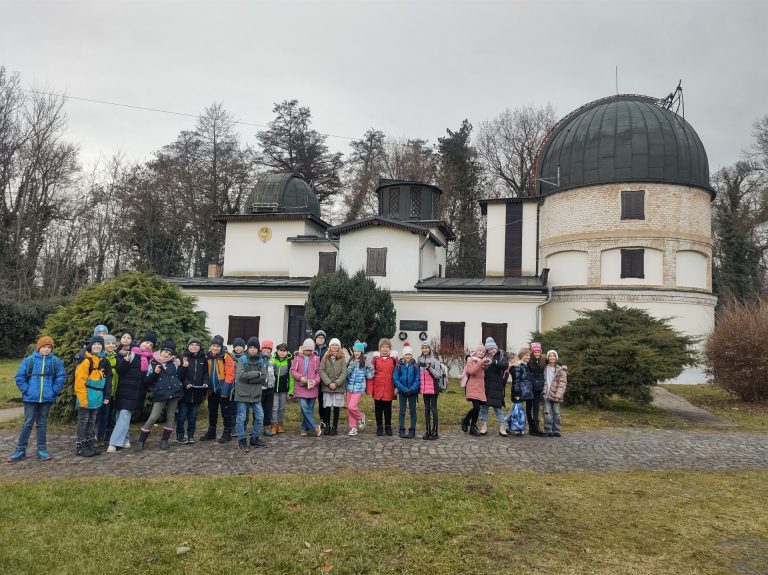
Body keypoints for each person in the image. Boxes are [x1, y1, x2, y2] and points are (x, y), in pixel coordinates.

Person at [7, 336, 66, 462]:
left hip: (46, 398)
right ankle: (20, 450)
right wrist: (27, 391)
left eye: (49, 347)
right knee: (27, 423)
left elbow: (61, 377)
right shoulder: (29, 360)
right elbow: (20, 377)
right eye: (44, 347)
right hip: (30, 398)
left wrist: (53, 391)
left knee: (42, 424)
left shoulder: (55, 361)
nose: (46, 349)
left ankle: (42, 449)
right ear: (39, 347)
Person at [106, 331, 155, 453]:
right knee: (120, 416)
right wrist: (126, 361)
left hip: (136, 393)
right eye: (146, 342)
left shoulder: (150, 360)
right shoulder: (131, 353)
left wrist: (156, 373)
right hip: (123, 390)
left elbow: (147, 380)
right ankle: (125, 440)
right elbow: (119, 371)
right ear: (141, 342)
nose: (147, 345)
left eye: (151, 344)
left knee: (124, 415)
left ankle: (114, 443)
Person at [137, 341, 184, 450]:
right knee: (153, 416)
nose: (166, 354)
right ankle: (141, 440)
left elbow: (180, 376)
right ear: (161, 351)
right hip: (161, 393)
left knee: (171, 416)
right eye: (165, 351)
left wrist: (184, 367)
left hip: (175, 392)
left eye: (169, 353)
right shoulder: (152, 363)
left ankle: (165, 440)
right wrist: (155, 373)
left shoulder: (175, 363)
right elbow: (146, 381)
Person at [74, 336, 113, 457]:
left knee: (92, 421)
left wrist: (107, 395)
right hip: (86, 395)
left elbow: (108, 379)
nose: (97, 346)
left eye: (99, 345)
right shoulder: (86, 361)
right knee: (83, 420)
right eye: (95, 344)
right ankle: (81, 445)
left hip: (97, 395)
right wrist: (83, 399)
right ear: (91, 346)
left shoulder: (103, 360)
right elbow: (79, 381)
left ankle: (90, 443)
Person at [234, 337, 268, 452]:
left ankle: (254, 438)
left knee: (259, 416)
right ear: (248, 348)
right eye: (250, 347)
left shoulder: (262, 361)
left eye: (255, 348)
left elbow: (263, 377)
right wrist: (256, 373)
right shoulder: (242, 359)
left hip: (255, 394)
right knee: (241, 417)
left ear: (258, 349)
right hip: (242, 393)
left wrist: (250, 380)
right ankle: (241, 440)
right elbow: (240, 375)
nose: (252, 350)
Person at [200, 335, 235, 443]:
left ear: (221, 347)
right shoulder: (207, 357)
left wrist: (226, 389)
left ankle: (227, 433)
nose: (215, 348)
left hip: (223, 389)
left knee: (226, 412)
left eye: (218, 346)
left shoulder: (226, 357)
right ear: (210, 346)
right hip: (212, 390)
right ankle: (211, 432)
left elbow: (230, 374)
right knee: (212, 412)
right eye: (213, 345)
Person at [175, 337, 209, 444]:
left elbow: (205, 373)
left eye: (196, 345)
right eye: (192, 345)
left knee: (193, 416)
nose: (194, 347)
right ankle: (180, 435)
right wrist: (186, 383)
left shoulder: (203, 359)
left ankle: (190, 435)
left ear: (199, 347)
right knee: (182, 415)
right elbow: (179, 375)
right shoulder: (183, 358)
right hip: (185, 392)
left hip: (197, 392)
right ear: (188, 346)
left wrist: (205, 382)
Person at [291, 338, 322, 437]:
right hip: (300, 387)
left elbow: (318, 373)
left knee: (309, 409)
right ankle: (315, 427)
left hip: (312, 387)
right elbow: (293, 371)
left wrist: (315, 381)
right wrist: (300, 378)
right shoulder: (297, 358)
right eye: (306, 350)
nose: (308, 352)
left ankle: (304, 428)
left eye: (310, 350)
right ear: (303, 349)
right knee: (304, 408)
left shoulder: (316, 359)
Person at [478, 337, 509, 436]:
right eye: (489, 349)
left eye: (492, 348)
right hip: (486, 386)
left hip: (497, 386)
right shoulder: (484, 357)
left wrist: (494, 362)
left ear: (496, 348)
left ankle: (502, 427)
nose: (491, 351)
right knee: (484, 408)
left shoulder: (501, 356)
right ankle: (483, 426)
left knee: (498, 409)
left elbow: (505, 365)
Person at [368, 338, 397, 436]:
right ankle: (379, 426)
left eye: (387, 347)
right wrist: (370, 388)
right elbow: (370, 373)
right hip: (378, 388)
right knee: (378, 408)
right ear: (380, 348)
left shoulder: (393, 359)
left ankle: (388, 426)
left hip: (389, 387)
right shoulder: (375, 359)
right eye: (383, 347)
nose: (385, 349)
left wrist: (396, 387)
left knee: (388, 408)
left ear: (390, 349)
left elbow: (397, 373)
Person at [319, 337, 346, 435]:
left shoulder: (342, 358)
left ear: (339, 347)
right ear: (330, 347)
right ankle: (327, 426)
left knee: (336, 407)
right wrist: (329, 383)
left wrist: (336, 383)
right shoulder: (325, 357)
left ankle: (334, 426)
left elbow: (344, 372)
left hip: (338, 388)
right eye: (333, 345)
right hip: (327, 386)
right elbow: (321, 370)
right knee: (326, 407)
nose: (334, 347)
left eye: (336, 345)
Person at [345, 341, 373, 436]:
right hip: (349, 388)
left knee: (351, 406)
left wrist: (369, 375)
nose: (356, 353)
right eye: (355, 351)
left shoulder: (364, 361)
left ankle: (361, 417)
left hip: (359, 388)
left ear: (362, 352)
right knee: (350, 409)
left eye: (358, 351)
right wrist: (348, 370)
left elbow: (371, 369)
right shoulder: (351, 361)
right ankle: (353, 428)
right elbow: (347, 375)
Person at [96, 334, 119, 446]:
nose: (110, 345)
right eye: (108, 343)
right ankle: (100, 436)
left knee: (111, 414)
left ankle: (109, 436)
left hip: (114, 389)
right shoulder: (101, 358)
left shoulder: (116, 357)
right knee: (103, 414)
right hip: (104, 389)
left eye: (113, 343)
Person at [417, 342, 442, 440]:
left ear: (430, 349)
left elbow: (438, 375)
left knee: (433, 409)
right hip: (424, 388)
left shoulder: (435, 361)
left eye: (427, 348)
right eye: (423, 348)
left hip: (433, 387)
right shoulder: (419, 360)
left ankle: (435, 431)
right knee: (426, 409)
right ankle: (427, 430)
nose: (425, 350)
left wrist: (429, 368)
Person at [393, 343, 419, 439]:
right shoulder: (399, 365)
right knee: (402, 411)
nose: (407, 356)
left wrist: (412, 389)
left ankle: (412, 429)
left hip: (412, 392)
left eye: (409, 354)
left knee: (413, 410)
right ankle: (402, 428)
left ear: (411, 355)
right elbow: (395, 378)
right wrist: (403, 389)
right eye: (406, 354)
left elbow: (417, 379)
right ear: (403, 355)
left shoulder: (415, 365)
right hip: (402, 392)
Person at [460, 345, 487, 437]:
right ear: (476, 351)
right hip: (472, 386)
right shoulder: (471, 360)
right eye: (479, 351)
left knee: (477, 409)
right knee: (477, 408)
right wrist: (480, 363)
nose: (481, 353)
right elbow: (471, 371)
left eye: (483, 352)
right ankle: (466, 419)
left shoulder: (484, 362)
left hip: (480, 388)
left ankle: (472, 427)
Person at [543, 350, 568, 437]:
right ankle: (548, 430)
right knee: (547, 412)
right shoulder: (544, 368)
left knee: (556, 413)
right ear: (548, 357)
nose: (552, 357)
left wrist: (558, 395)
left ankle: (556, 430)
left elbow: (562, 384)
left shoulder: (561, 370)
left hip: (556, 395)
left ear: (556, 357)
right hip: (546, 394)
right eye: (550, 356)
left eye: (554, 356)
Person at [510, 348, 535, 437]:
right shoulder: (518, 366)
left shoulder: (525, 365)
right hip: (519, 392)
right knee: (517, 411)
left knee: (519, 410)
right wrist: (516, 393)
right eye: (526, 355)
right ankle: (517, 429)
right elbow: (516, 381)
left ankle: (518, 427)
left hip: (525, 392)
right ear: (521, 356)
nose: (528, 357)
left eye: (529, 355)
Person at [270, 343, 294, 434]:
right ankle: (273, 425)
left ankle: (280, 424)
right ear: (277, 351)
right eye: (280, 350)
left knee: (281, 408)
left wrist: (291, 391)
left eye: (284, 351)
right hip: (274, 389)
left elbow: (291, 378)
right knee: (274, 407)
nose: (282, 353)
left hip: (284, 389)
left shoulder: (289, 362)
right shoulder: (272, 360)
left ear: (287, 352)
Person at [527, 342, 547, 436]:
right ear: (532, 352)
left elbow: (553, 361)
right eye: (535, 352)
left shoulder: (544, 360)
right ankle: (531, 427)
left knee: (536, 407)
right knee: (528, 407)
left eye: (538, 351)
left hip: (538, 388)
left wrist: (563, 366)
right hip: (530, 387)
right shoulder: (529, 361)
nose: (537, 353)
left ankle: (536, 427)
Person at [259, 339, 276, 437]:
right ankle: (256, 426)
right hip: (260, 388)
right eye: (265, 348)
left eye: (268, 348)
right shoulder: (259, 359)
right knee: (258, 409)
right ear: (261, 349)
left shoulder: (272, 359)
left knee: (268, 409)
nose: (266, 350)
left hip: (270, 388)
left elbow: (274, 371)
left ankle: (266, 426)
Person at [313, 330, 328, 426]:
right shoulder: (312, 348)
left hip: (324, 378)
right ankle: (308, 421)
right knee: (312, 400)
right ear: (315, 339)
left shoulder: (327, 349)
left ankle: (323, 419)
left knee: (323, 400)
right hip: (313, 377)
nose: (320, 339)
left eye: (322, 338)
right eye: (318, 337)